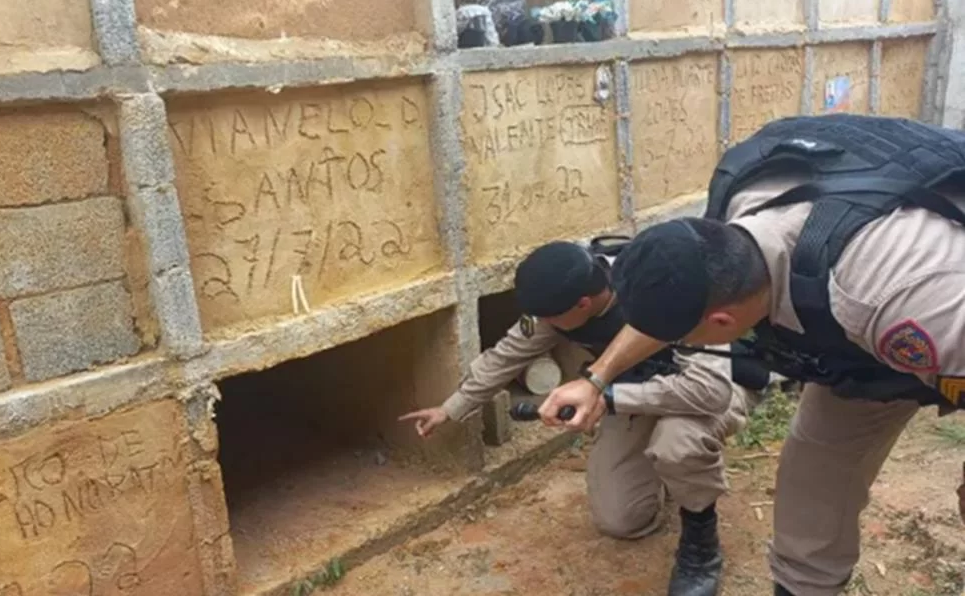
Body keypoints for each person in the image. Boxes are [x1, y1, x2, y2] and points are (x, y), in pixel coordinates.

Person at [536, 113, 965, 596]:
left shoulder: (893, 293)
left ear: (721, 325)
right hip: (859, 346)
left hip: (935, 300)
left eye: (683, 337)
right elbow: (679, 300)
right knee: (812, 488)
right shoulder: (731, 224)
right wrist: (597, 378)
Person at [399, 239, 770, 595]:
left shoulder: (665, 286)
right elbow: (507, 355)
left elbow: (710, 391)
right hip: (634, 396)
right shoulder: (562, 300)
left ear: (583, 303)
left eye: (549, 317)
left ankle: (700, 545)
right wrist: (451, 408)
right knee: (619, 520)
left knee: (678, 446)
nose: (542, 322)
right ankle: (667, 474)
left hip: (711, 389)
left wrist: (607, 399)